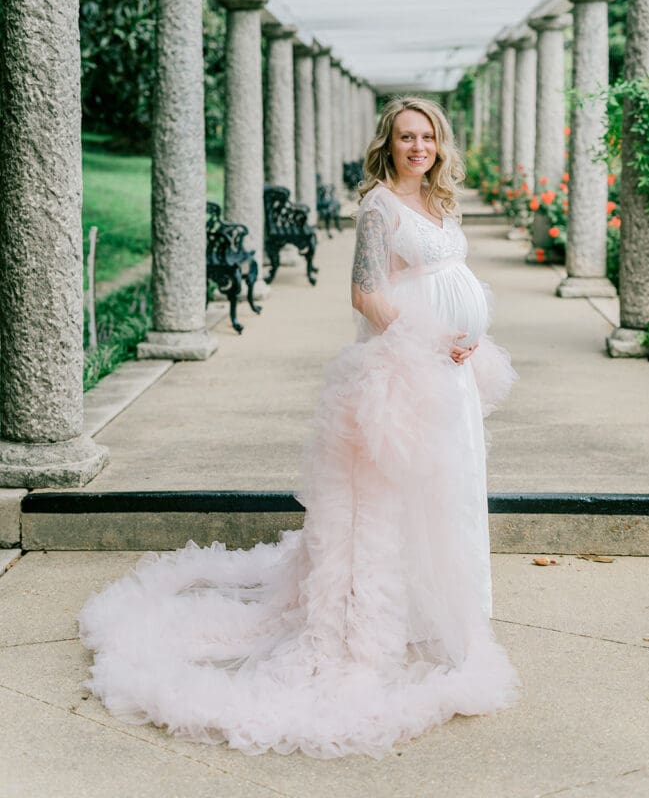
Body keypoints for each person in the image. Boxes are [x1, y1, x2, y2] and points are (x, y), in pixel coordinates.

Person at [78, 96, 521, 760]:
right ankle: (392, 622)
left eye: (426, 135)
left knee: (451, 487)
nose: (417, 146)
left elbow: (448, 273)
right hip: (408, 365)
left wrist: (465, 337)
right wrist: (430, 339)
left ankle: (445, 612)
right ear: (389, 143)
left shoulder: (442, 199)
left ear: (438, 143)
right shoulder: (378, 206)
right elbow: (366, 294)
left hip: (450, 371)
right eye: (406, 136)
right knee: (400, 494)